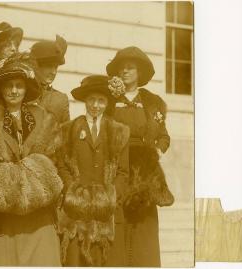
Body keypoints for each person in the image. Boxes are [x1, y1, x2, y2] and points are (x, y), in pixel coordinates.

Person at [0, 53, 64, 266]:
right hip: (3, 211)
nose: (14, 91)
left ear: (26, 90)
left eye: (19, 86)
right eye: (9, 86)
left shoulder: (44, 118)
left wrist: (35, 175)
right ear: (1, 90)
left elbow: (55, 156)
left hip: (38, 211)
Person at [106, 46, 175, 267]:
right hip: (117, 168)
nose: (125, 72)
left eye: (130, 68)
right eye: (122, 68)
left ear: (140, 73)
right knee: (118, 222)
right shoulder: (107, 100)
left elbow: (164, 137)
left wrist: (156, 151)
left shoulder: (152, 102)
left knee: (144, 229)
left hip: (145, 174)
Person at [57, 75, 130, 266]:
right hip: (76, 211)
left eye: (101, 100)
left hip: (106, 212)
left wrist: (111, 197)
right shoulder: (69, 129)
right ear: (84, 101)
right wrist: (72, 192)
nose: (95, 105)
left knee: (104, 261)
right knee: (75, 261)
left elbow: (123, 172)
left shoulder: (119, 132)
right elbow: (62, 165)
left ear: (107, 103)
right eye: (91, 100)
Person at [30, 35, 70, 124]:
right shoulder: (22, 93)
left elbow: (65, 133)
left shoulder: (60, 99)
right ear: (36, 66)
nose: (54, 72)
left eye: (56, 67)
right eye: (49, 66)